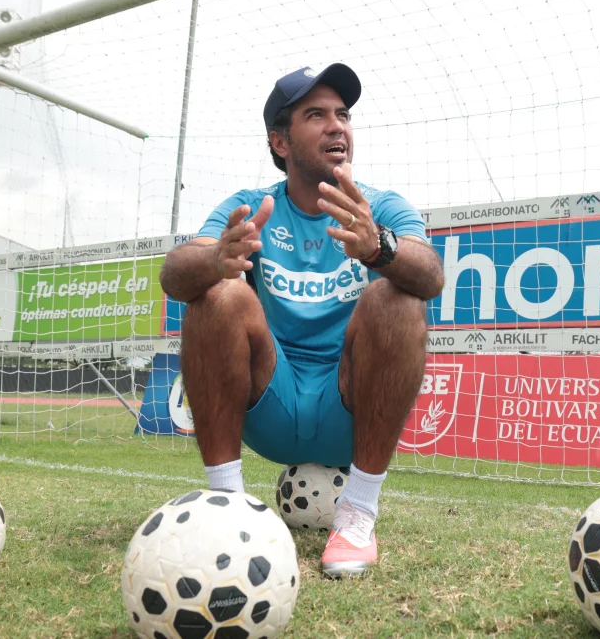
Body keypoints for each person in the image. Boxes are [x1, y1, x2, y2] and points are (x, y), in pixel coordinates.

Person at [159, 64, 444, 577]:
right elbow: (175, 275)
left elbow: (431, 275)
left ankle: (357, 513)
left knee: (396, 296)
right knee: (218, 292)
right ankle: (225, 506)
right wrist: (215, 259)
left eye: (343, 115)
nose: (338, 126)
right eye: (316, 115)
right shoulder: (251, 206)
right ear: (281, 141)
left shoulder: (380, 205)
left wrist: (380, 247)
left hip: (351, 412)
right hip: (271, 405)